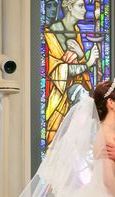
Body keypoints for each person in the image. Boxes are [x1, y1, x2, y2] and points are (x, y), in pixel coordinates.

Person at [44, 0, 99, 145]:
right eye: (80, 5)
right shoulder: (52, 33)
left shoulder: (76, 31)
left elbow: (79, 66)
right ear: (69, 6)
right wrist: (88, 63)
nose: (85, 10)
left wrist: (81, 55)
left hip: (77, 90)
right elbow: (57, 69)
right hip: (60, 94)